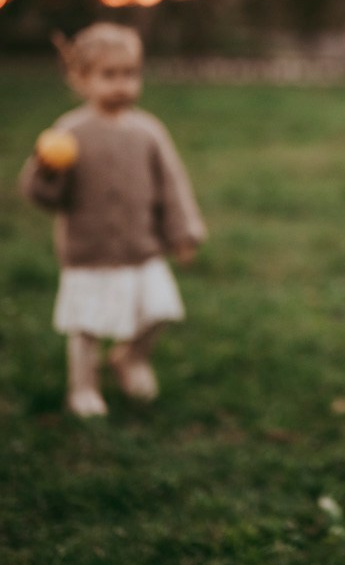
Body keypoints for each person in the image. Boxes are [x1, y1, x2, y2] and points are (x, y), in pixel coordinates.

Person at [20, 23, 206, 417]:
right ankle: (84, 388)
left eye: (130, 74)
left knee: (159, 312)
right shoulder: (69, 133)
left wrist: (183, 233)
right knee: (86, 327)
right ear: (81, 79)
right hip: (90, 252)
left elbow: (172, 186)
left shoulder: (149, 132)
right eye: (109, 75)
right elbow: (44, 197)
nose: (122, 84)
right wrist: (46, 171)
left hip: (143, 249)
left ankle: (131, 358)